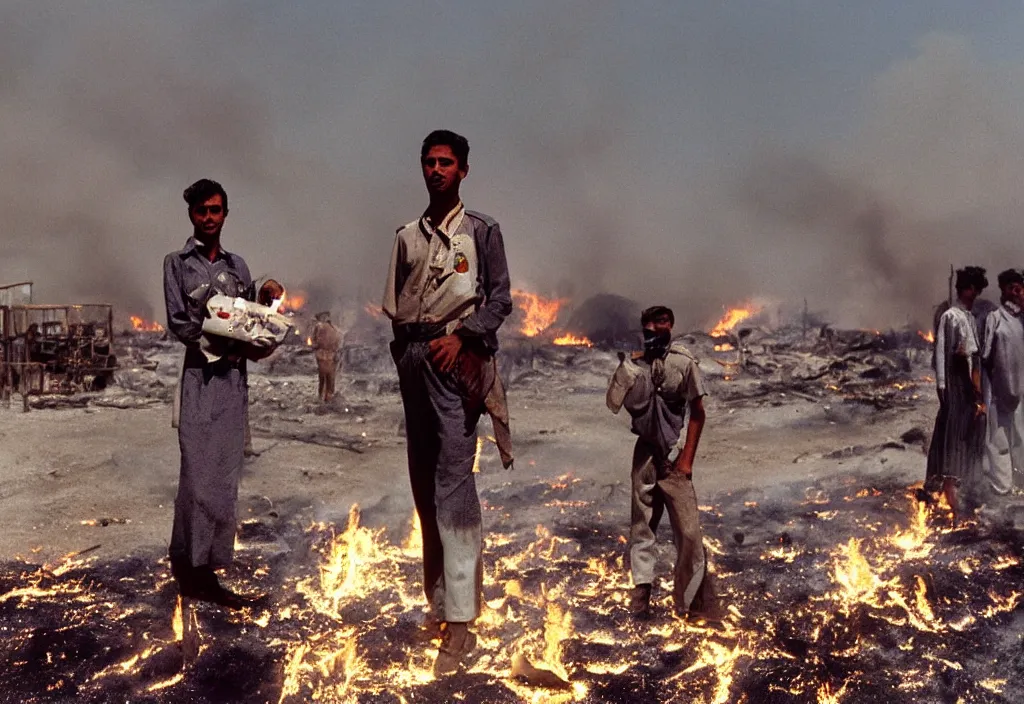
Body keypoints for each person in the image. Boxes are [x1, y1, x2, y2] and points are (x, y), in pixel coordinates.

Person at [382, 130, 513, 674]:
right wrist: (405, 354)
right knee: (422, 485)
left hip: (453, 358)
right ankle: (439, 606)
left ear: (463, 170)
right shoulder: (407, 235)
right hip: (414, 358)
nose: (436, 170)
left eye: (446, 163)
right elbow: (396, 303)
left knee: (455, 485)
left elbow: (501, 296)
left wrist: (465, 338)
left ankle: (461, 624)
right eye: (429, 162)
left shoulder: (481, 231)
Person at [163, 178, 270, 608]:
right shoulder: (177, 263)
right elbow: (179, 323)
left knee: (224, 477)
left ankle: (204, 569)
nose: (209, 218)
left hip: (233, 383)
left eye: (216, 210)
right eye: (201, 211)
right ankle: (191, 569)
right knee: (197, 476)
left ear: (226, 213)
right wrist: (223, 345)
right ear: (191, 215)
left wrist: (258, 330)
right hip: (200, 378)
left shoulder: (237, 267)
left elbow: (250, 314)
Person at [606, 306, 721, 621]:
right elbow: (614, 402)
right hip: (646, 454)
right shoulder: (633, 365)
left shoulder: (683, 363)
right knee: (642, 526)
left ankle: (693, 600)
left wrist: (687, 461)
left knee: (689, 532)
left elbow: (698, 413)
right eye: (649, 323)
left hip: (673, 456)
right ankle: (641, 593)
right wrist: (630, 368)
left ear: (671, 325)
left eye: (661, 322)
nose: (655, 328)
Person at [925, 266, 988, 519]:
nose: (975, 293)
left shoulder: (970, 318)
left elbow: (974, 357)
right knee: (952, 439)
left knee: (970, 434)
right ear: (964, 289)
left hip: (969, 386)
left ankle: (966, 491)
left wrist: (978, 393)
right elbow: (941, 354)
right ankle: (950, 496)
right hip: (954, 384)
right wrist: (943, 389)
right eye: (973, 288)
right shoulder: (950, 317)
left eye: (978, 289)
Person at [981, 269, 1024, 495]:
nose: (1015, 292)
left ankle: (1020, 482)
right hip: (998, 387)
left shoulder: (1022, 319)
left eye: (1019, 287)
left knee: (1020, 436)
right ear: (1004, 290)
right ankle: (1002, 485)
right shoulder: (995, 318)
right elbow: (986, 355)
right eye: (1011, 287)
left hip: (1020, 387)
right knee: (999, 439)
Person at [311, 312, 342, 403]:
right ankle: (329, 397)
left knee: (322, 378)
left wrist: (313, 346)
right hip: (332, 356)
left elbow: (316, 342)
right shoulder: (335, 329)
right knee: (331, 377)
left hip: (322, 355)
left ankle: (321, 397)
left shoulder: (319, 327)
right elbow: (338, 342)